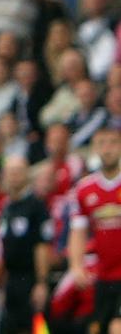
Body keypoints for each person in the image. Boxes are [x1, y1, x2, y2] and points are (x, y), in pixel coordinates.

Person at [68, 127, 121, 334]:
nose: (107, 149)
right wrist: (75, 265)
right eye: (102, 143)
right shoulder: (84, 189)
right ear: (95, 149)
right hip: (103, 275)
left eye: (113, 143)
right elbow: (78, 230)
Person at [0, 155, 52, 334]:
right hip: (11, 280)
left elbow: (42, 245)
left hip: (30, 278)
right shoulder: (6, 208)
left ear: (27, 174)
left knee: (36, 328)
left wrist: (41, 282)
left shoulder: (36, 206)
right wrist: (4, 284)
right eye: (10, 172)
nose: (13, 176)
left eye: (18, 171)